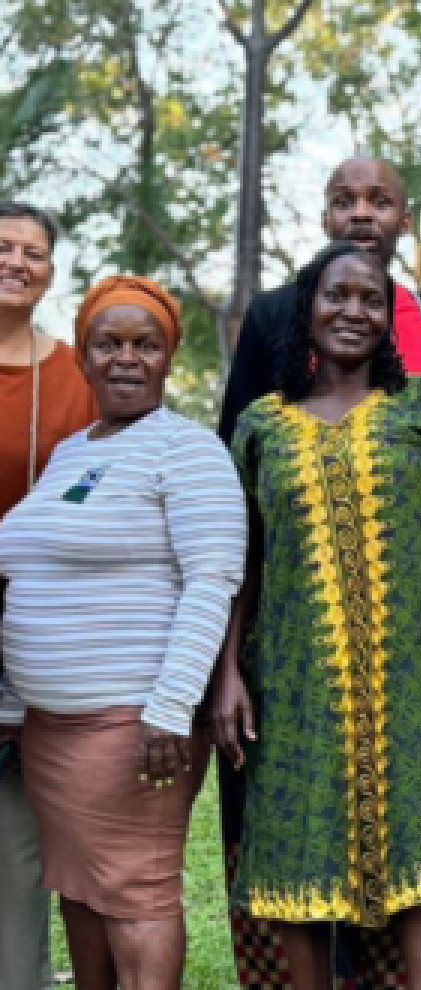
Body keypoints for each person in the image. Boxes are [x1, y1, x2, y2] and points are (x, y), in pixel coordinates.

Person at [212, 156, 421, 987]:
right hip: (294, 680)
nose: (353, 311)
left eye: (371, 299)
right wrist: (228, 672)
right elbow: (243, 556)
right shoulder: (262, 425)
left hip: (413, 677)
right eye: (336, 295)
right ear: (307, 309)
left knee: (420, 872)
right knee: (300, 874)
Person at [0, 275, 245, 989]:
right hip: (50, 729)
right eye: (108, 344)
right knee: (80, 892)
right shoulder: (74, 453)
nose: (126, 359)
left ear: (169, 357)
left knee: (136, 896)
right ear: (84, 356)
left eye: (146, 344)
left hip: (133, 723)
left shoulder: (189, 451)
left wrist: (171, 707)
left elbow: (212, 582)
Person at [0, 202, 97, 990]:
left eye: (33, 252)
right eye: (2, 246)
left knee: (14, 836)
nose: (16, 261)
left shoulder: (76, 377)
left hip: (36, 629)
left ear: (50, 273)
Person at [218, 155, 421, 443]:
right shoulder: (270, 312)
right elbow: (235, 441)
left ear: (405, 222)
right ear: (325, 221)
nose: (361, 214)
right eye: (344, 202)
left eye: (380, 203)